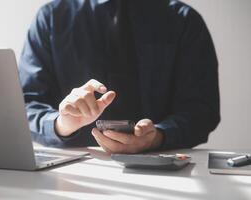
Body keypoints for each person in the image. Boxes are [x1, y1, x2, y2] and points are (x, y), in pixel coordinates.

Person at [18, 0, 220, 154]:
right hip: (73, 172)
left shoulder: (184, 20)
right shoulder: (51, 18)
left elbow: (202, 109)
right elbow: (26, 105)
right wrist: (61, 124)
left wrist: (157, 136)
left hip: (163, 164)